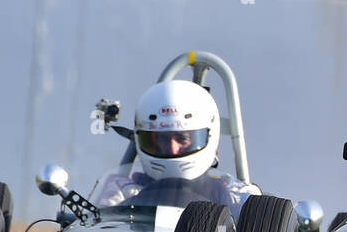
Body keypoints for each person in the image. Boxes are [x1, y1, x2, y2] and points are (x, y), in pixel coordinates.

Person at [93, 79, 256, 215]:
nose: (172, 149)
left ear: (210, 136)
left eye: (182, 139)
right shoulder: (119, 190)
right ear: (140, 138)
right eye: (161, 140)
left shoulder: (237, 195)